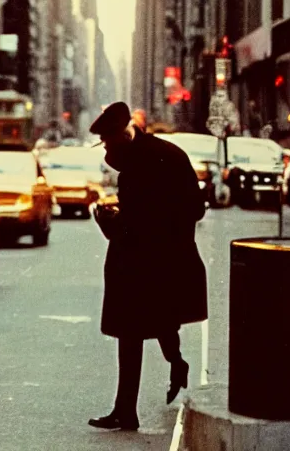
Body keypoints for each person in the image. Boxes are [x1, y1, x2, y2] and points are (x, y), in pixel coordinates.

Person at [88, 101, 207, 431]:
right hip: (164, 259)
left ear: (124, 134)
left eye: (109, 141)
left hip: (141, 260)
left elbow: (135, 224)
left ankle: (127, 409)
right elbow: (195, 208)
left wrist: (107, 221)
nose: (107, 149)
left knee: (132, 331)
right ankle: (167, 371)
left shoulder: (141, 166)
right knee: (154, 319)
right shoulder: (165, 153)